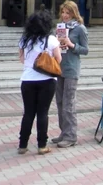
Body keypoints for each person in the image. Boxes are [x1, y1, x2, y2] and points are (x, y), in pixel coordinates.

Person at [17, 10, 62, 155]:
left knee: (28, 113)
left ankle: (22, 145)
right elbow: (58, 59)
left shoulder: (24, 39)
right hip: (47, 80)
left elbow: (21, 59)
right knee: (43, 112)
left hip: (27, 79)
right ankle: (42, 145)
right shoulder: (51, 40)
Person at [52, 1, 89, 148]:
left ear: (74, 13)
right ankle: (63, 132)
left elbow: (85, 50)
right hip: (58, 67)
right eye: (63, 12)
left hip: (71, 69)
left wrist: (71, 44)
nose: (65, 16)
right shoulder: (60, 27)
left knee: (69, 103)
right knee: (60, 102)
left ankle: (71, 136)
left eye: (68, 13)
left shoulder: (80, 29)